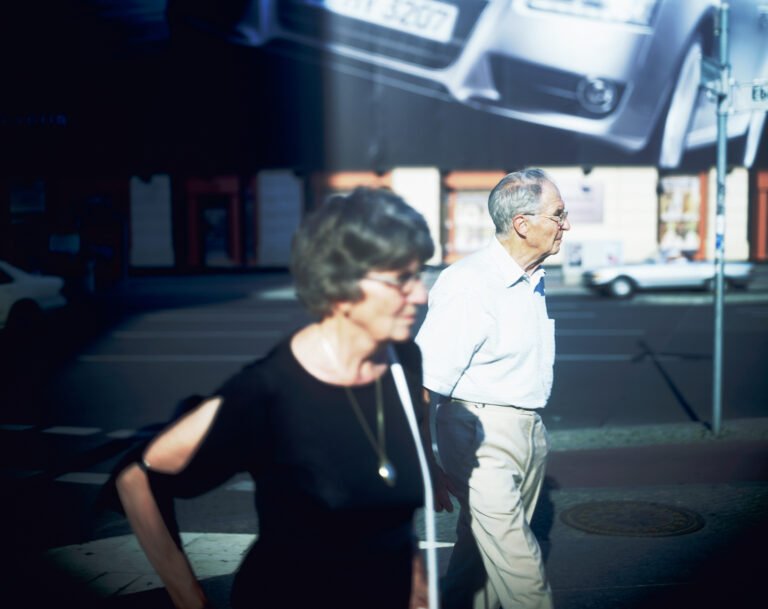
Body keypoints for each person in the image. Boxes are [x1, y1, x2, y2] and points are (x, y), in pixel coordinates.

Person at [115, 187, 435, 609]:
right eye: (401, 280)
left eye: (420, 274)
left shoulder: (403, 363)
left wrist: (418, 586)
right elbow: (138, 477)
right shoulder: (268, 390)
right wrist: (190, 598)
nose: (421, 294)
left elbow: (391, 506)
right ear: (340, 283)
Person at [415, 168, 570, 609]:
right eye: (558, 214)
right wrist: (427, 463)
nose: (566, 225)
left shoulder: (532, 277)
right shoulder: (469, 284)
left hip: (527, 430)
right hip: (478, 436)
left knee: (478, 557)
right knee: (521, 567)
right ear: (523, 224)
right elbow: (426, 380)